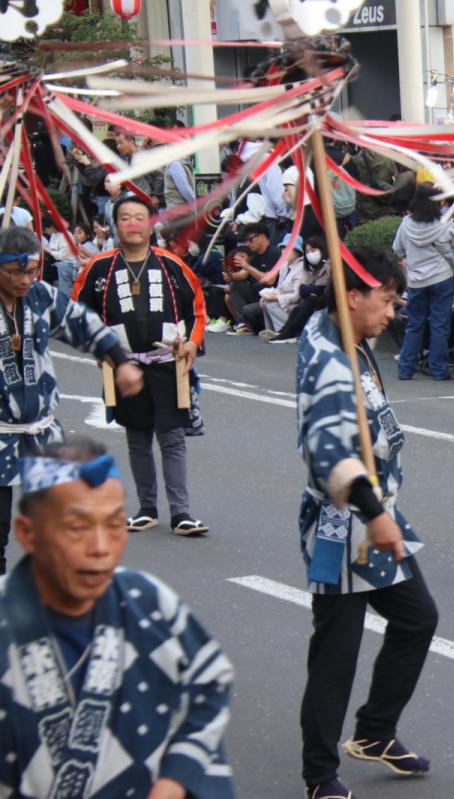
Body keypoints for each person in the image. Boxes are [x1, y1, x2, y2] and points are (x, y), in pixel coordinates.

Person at [0, 438, 236, 798]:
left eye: (113, 525)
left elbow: (210, 684)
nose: (100, 548)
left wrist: (176, 779)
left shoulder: (147, 602)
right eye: (77, 527)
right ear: (28, 534)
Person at [296, 248, 437, 799]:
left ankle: (376, 732)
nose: (393, 311)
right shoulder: (330, 361)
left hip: (375, 513)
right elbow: (326, 448)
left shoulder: (341, 333)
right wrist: (375, 515)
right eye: (386, 299)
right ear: (352, 297)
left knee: (417, 618)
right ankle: (318, 776)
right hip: (343, 525)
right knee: (336, 654)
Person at [0, 227, 142, 574]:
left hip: (41, 430)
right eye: (16, 272)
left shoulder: (41, 296)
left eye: (31, 271)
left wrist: (120, 361)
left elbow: (82, 324)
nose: (25, 280)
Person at [72, 192, 208, 537]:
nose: (133, 224)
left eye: (139, 218)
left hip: (168, 364)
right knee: (137, 437)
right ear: (115, 225)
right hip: (124, 366)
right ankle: (147, 507)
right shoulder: (99, 267)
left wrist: (192, 341)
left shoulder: (171, 264)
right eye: (125, 218)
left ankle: (181, 513)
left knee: (173, 437)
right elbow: (76, 312)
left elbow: (198, 308)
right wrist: (99, 348)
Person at [392, 184, 454, 381]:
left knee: (415, 324)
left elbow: (397, 249)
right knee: (440, 324)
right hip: (442, 277)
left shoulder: (405, 225)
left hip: (416, 281)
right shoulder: (445, 224)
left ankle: (405, 369)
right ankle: (439, 370)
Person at [264, 235, 331, 344]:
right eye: (308, 251)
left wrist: (310, 290)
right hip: (305, 299)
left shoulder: (327, 266)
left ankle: (288, 333)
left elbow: (316, 288)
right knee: (298, 307)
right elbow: (304, 289)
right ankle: (284, 332)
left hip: (323, 299)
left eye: (313, 250)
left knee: (308, 301)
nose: (310, 254)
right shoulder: (309, 266)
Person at [224, 221, 281, 335]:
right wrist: (229, 273)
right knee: (235, 286)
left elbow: (270, 280)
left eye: (251, 239)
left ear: (262, 236)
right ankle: (243, 323)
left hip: (270, 295)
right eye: (247, 241)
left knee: (248, 310)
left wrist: (247, 266)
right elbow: (242, 276)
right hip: (256, 292)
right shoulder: (255, 256)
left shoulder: (274, 253)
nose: (248, 244)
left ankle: (248, 324)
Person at [258, 233, 306, 336]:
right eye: (284, 248)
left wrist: (276, 297)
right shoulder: (284, 265)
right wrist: (268, 295)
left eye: (289, 248)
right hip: (284, 300)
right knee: (265, 302)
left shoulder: (301, 267)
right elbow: (280, 287)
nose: (285, 251)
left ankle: (284, 332)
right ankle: (271, 331)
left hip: (294, 304)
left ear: (297, 252)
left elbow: (296, 296)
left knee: (271, 304)